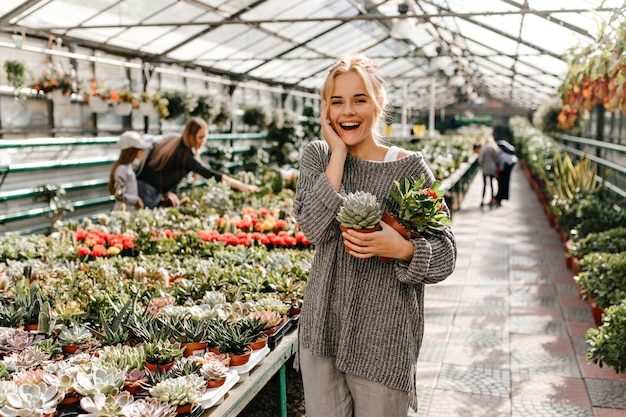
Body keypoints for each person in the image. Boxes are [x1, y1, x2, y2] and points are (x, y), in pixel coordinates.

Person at [294, 53, 457, 417]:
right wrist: (337, 154)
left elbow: (446, 253)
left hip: (384, 339)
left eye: (359, 100)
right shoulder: (318, 157)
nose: (347, 112)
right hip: (322, 332)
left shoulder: (409, 167)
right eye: (337, 101)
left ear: (379, 103)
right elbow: (313, 229)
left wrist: (401, 248)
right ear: (325, 109)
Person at [136, 117, 260, 209]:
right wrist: (240, 185)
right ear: (191, 136)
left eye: (205, 137)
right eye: (200, 137)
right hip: (147, 191)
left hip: (143, 186)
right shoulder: (185, 155)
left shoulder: (174, 143)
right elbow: (208, 173)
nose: (203, 141)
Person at [109, 131, 152, 212]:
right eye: (140, 149)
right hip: (122, 212)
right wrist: (136, 199)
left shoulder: (128, 167)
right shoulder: (122, 169)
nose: (142, 152)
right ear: (132, 151)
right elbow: (119, 195)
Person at [494, 140, 518, 206]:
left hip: (507, 164)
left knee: (503, 181)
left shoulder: (498, 151)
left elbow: (501, 161)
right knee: (504, 181)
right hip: (510, 162)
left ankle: (499, 197)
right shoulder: (499, 149)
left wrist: (499, 171)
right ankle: (500, 197)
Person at [477, 138, 498, 207]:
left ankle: (482, 200)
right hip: (492, 168)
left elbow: (480, 160)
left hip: (485, 169)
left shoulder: (483, 149)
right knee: (492, 184)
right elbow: (496, 158)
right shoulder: (494, 148)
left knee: (485, 185)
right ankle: (492, 199)